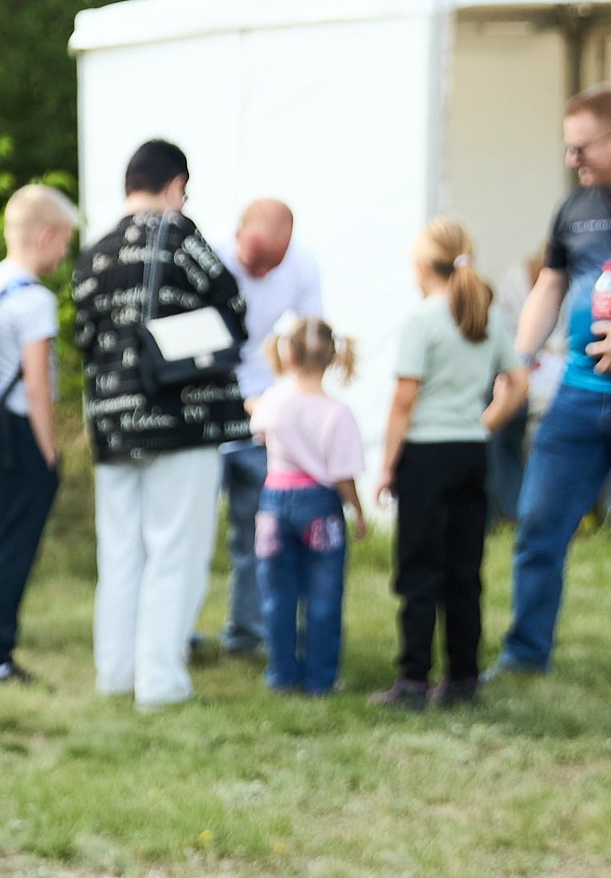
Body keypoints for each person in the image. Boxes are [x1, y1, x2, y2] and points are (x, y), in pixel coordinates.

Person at [73, 140, 248, 709]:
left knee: (121, 552)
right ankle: (161, 683)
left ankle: (116, 673)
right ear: (175, 185)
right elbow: (234, 309)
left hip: (112, 423)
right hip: (181, 420)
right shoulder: (181, 237)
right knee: (174, 550)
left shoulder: (94, 253)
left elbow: (84, 337)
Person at [372, 220, 528, 710]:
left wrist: (386, 465)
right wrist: (485, 424)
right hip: (470, 453)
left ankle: (413, 681)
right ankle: (463, 679)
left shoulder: (422, 320)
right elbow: (518, 384)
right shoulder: (486, 315)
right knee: (464, 570)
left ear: (422, 266)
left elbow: (404, 400)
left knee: (420, 569)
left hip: (426, 454)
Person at [493, 85, 611, 678]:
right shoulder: (574, 209)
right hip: (577, 400)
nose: (572, 159)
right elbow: (551, 285)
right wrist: (519, 358)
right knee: (538, 525)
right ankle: (524, 656)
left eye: (582, 147)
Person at [0, 184, 80, 683]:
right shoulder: (34, 299)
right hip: (20, 435)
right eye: (65, 242)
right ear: (47, 234)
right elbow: (38, 387)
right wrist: (49, 450)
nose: (65, 253)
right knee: (14, 547)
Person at [212, 198, 323, 657]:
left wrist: (291, 402)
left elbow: (314, 338)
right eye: (253, 262)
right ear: (237, 234)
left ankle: (248, 632)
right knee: (193, 532)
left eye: (270, 265)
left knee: (257, 530)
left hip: (261, 408)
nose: (259, 273)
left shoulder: (303, 266)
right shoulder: (210, 257)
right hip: (210, 403)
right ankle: (176, 633)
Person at [250, 320, 366, 696]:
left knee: (276, 595)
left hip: (272, 504)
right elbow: (343, 474)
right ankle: (320, 679)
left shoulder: (273, 400)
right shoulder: (337, 413)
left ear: (288, 354)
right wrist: (358, 511)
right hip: (320, 506)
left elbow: (258, 425)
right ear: (333, 357)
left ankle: (281, 675)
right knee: (324, 596)